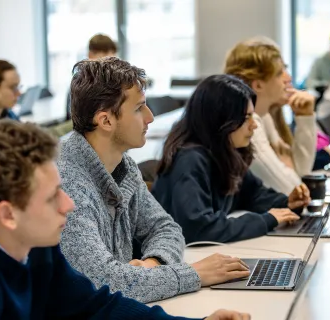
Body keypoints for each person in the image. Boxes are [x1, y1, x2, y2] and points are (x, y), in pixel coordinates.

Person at [0, 120, 250, 320]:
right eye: (53, 196)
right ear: (7, 214)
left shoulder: (35, 247)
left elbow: (98, 307)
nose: (68, 205)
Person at [58, 57, 250, 304]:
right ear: (105, 120)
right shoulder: (67, 183)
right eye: (139, 108)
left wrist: (153, 264)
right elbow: (103, 283)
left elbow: (166, 228)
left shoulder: (123, 166)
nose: (150, 117)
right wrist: (194, 274)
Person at [152, 74, 309, 244]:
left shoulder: (226, 152)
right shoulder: (189, 160)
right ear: (221, 120)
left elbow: (252, 194)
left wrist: (287, 203)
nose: (254, 125)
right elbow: (199, 229)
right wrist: (266, 220)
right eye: (246, 117)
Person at [224, 39, 317, 195]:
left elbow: (302, 171)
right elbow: (290, 189)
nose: (288, 78)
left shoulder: (264, 116)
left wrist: (305, 116)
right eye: (280, 72)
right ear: (258, 85)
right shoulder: (246, 125)